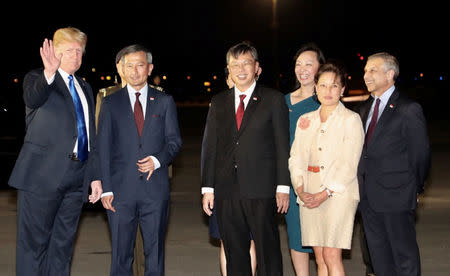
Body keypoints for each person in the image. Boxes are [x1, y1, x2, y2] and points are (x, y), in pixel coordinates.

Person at [8, 27, 102, 276]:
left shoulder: (85, 87)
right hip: (42, 177)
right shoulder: (38, 79)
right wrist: (49, 72)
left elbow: (89, 136)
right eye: (69, 50)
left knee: (62, 248)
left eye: (79, 51)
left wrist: (94, 176)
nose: (75, 56)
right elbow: (33, 98)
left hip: (76, 177)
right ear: (55, 53)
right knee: (33, 248)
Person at [201, 41, 290, 276]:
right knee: (234, 252)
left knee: (268, 251)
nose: (241, 69)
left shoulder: (273, 99)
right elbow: (211, 147)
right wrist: (208, 188)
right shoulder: (218, 101)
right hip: (226, 190)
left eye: (246, 63)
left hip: (261, 189)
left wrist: (283, 186)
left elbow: (283, 146)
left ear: (256, 67)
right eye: (235, 65)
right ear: (228, 69)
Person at [98, 44, 182, 276]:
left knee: (154, 253)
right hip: (120, 192)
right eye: (129, 66)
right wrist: (106, 189)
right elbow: (102, 148)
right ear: (122, 70)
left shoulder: (164, 101)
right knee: (121, 255)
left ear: (150, 68)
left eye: (140, 65)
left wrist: (157, 160)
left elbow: (174, 142)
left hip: (155, 190)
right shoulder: (110, 103)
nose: (135, 71)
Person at [357, 52, 430, 276]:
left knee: (404, 258)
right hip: (368, 198)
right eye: (366, 70)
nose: (366, 75)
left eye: (372, 70)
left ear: (390, 74)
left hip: (397, 197)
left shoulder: (408, 109)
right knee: (380, 260)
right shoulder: (365, 108)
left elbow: (421, 155)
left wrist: (413, 188)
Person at [289, 62, 364, 276]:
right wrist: (300, 188)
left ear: (342, 89)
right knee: (320, 256)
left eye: (333, 86)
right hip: (308, 193)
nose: (327, 91)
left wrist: (325, 193)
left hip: (337, 194)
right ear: (315, 87)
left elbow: (348, 164)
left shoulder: (350, 119)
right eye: (322, 85)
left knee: (332, 255)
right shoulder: (306, 120)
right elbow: (296, 158)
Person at [207, 67, 259, 276]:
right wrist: (208, 187)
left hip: (252, 187)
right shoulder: (218, 107)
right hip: (224, 188)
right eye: (230, 77)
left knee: (251, 241)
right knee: (225, 242)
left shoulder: (261, 106)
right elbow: (208, 151)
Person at [284, 42, 324, 276]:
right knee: (296, 234)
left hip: (319, 179)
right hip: (292, 180)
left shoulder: (325, 102)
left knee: (320, 240)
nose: (303, 69)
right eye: (299, 64)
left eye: (309, 63)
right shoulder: (284, 102)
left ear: (320, 67)